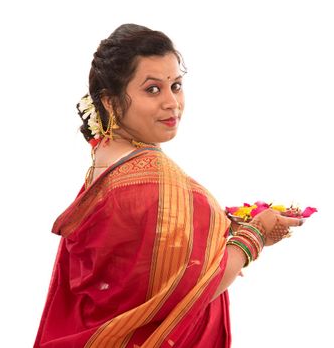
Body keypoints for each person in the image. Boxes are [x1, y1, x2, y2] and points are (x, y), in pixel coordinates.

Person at [34, 23, 304, 348]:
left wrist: (216, 225)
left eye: (175, 85)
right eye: (152, 89)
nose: (172, 102)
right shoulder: (156, 180)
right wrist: (254, 235)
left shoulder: (105, 156)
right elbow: (194, 288)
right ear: (109, 102)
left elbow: (139, 259)